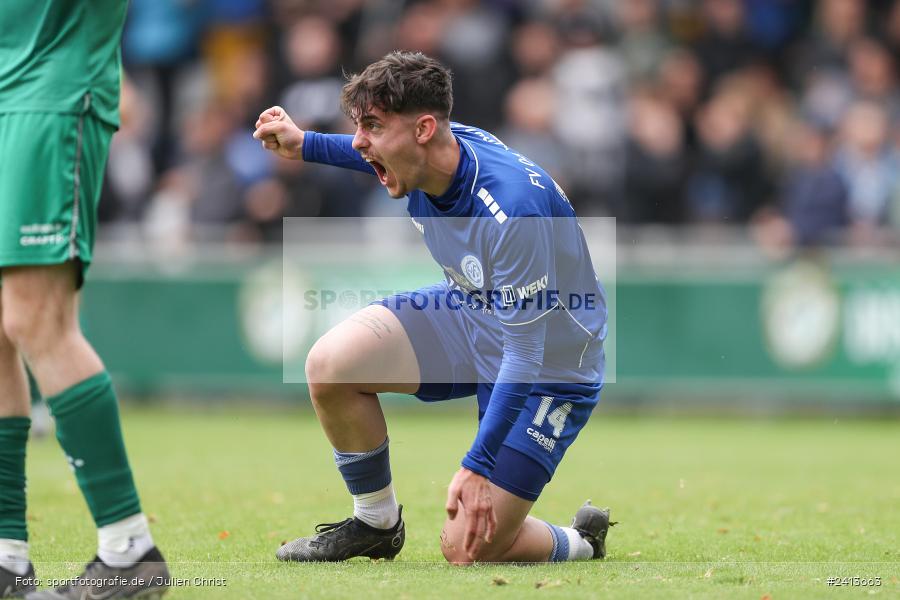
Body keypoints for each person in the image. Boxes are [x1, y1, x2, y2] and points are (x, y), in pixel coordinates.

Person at [254, 51, 612, 565]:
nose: (360, 142)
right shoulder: (427, 149)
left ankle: (580, 542)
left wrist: (477, 464)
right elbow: (372, 151)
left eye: (372, 126)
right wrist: (303, 144)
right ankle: (374, 523)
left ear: (423, 128)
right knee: (330, 364)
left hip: (549, 363)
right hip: (472, 312)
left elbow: (525, 350)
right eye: (359, 127)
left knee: (469, 550)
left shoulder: (511, 209)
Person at [0, 2, 169, 598]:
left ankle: (129, 549)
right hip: (10, 90)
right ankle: (6, 553)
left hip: (49, 91)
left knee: (35, 318)